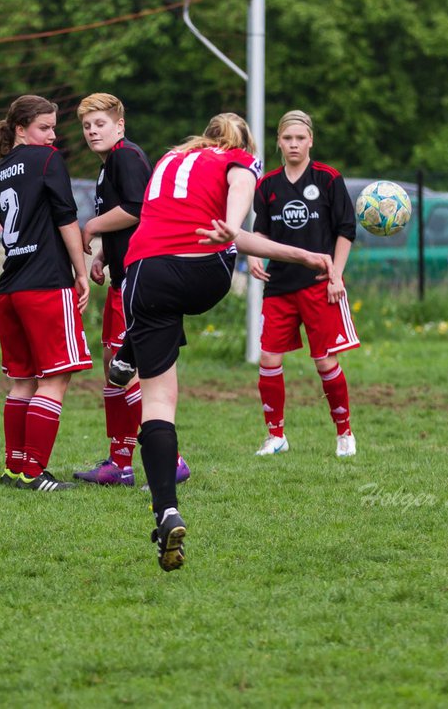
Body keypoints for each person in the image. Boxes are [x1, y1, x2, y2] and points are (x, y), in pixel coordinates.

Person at [122, 113, 333, 571]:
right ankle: (169, 517)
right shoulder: (240, 158)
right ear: (245, 142)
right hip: (203, 270)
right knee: (170, 309)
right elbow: (239, 195)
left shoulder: (170, 157)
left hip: (144, 273)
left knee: (157, 400)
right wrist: (237, 229)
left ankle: (165, 507)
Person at [73, 93, 190, 487]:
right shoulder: (109, 166)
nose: (92, 132)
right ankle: (118, 462)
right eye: (87, 126)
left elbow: (137, 208)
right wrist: (104, 254)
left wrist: (91, 227)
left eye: (100, 124)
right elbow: (130, 221)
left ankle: (171, 460)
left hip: (140, 283)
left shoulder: (126, 156)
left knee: (129, 371)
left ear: (119, 126)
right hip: (124, 278)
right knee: (113, 368)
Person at [0, 94, 93, 492]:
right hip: (46, 283)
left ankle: (14, 467)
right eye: (44, 128)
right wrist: (80, 273)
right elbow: (66, 219)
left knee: (23, 381)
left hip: (11, 285)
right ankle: (35, 472)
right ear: (21, 128)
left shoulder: (0, 171)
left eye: (54, 128)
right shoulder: (47, 161)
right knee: (56, 378)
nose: (52, 136)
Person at [250, 110, 360, 459]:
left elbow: (346, 230)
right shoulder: (267, 185)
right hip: (279, 286)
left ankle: (345, 433)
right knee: (268, 357)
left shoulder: (328, 179)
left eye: (300, 138)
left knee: (325, 361)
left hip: (318, 285)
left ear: (310, 140)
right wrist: (253, 253)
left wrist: (335, 275)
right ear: (279, 142)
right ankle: (276, 436)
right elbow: (261, 231)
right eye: (287, 138)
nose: (294, 144)